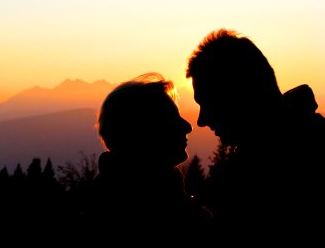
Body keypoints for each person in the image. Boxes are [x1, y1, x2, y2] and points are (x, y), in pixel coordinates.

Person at [185, 28, 325, 242]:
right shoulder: (267, 156)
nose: (201, 120)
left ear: (237, 94)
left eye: (208, 103)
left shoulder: (283, 167)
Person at [82, 72, 212, 243]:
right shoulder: (178, 220)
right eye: (171, 119)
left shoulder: (99, 206)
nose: (188, 126)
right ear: (141, 132)